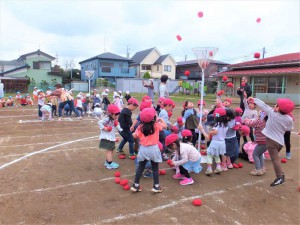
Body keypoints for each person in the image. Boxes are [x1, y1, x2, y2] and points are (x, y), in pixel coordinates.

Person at [254, 98, 294, 187]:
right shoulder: (289, 119)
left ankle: (279, 178)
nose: (275, 105)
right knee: (275, 159)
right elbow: (289, 129)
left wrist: (253, 99)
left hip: (271, 142)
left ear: (278, 108)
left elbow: (263, 105)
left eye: (277, 105)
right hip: (280, 142)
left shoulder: (272, 113)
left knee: (275, 160)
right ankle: (281, 174)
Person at [131, 107, 167, 193]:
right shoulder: (156, 125)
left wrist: (134, 133)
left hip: (143, 149)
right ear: (153, 118)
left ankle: (135, 185)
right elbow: (165, 126)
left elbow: (135, 136)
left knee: (140, 167)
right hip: (154, 149)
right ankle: (156, 186)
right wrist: (161, 119)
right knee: (155, 168)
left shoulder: (140, 127)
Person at [198, 108, 228, 175]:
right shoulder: (225, 124)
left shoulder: (217, 124)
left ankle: (209, 168)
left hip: (215, 142)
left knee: (209, 155)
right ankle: (218, 167)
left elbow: (213, 133)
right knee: (216, 155)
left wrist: (203, 130)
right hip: (222, 143)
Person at [98, 104, 122, 169]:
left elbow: (117, 126)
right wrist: (104, 128)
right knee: (109, 150)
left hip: (111, 137)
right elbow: (99, 123)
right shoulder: (107, 119)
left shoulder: (114, 119)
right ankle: (109, 163)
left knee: (111, 149)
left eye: (118, 114)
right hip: (107, 137)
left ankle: (107, 161)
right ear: (111, 114)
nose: (117, 116)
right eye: (115, 114)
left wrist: (120, 129)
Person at [244, 112, 268, 176]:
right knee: (259, 154)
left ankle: (258, 169)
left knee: (255, 154)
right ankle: (262, 168)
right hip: (266, 141)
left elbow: (250, 124)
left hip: (262, 141)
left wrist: (246, 119)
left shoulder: (260, 121)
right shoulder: (267, 122)